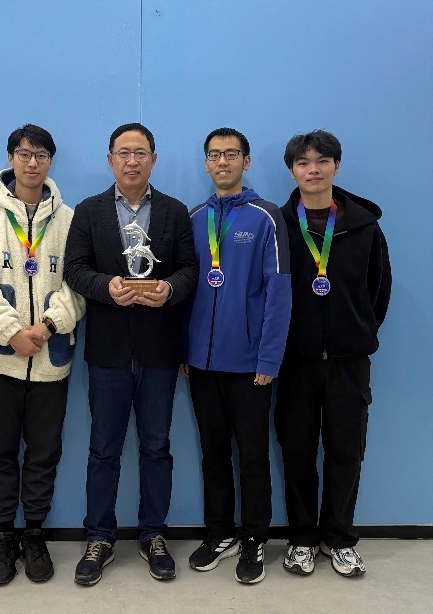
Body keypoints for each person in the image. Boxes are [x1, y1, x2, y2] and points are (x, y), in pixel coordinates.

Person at [64, 122, 198, 585]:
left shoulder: (175, 212)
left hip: (160, 350)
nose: (132, 160)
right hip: (107, 351)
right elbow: (74, 269)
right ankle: (99, 537)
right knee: (104, 449)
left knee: (157, 447)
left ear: (153, 160)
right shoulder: (89, 211)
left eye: (141, 152)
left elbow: (190, 269)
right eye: (124, 152)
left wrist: (169, 289)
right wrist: (107, 287)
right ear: (110, 160)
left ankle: (153, 534)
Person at [0, 124, 85, 586]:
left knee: (44, 453)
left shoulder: (70, 219)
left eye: (41, 155)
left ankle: (34, 534)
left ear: (51, 161)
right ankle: (3, 536)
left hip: (51, 361)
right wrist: (12, 333)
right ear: (11, 158)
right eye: (23, 153)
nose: (32, 162)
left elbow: (78, 283)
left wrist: (48, 325)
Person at [275, 130, 391, 578]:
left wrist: (357, 331)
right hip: (295, 360)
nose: (313, 170)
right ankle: (303, 539)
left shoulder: (364, 226)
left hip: (348, 360)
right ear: (292, 171)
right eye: (303, 163)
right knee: (297, 452)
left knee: (346, 452)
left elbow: (379, 288)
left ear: (336, 167)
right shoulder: (278, 225)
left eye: (322, 161)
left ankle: (339, 539)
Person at [182, 128, 291, 584]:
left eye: (231, 154)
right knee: (212, 453)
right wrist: (185, 350)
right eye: (214, 155)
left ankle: (255, 538)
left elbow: (278, 293)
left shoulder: (266, 216)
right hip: (201, 365)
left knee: (252, 456)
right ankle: (220, 532)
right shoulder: (194, 217)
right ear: (206, 163)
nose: (222, 161)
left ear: (245, 161)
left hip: (249, 365)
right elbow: (186, 288)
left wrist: (268, 360)